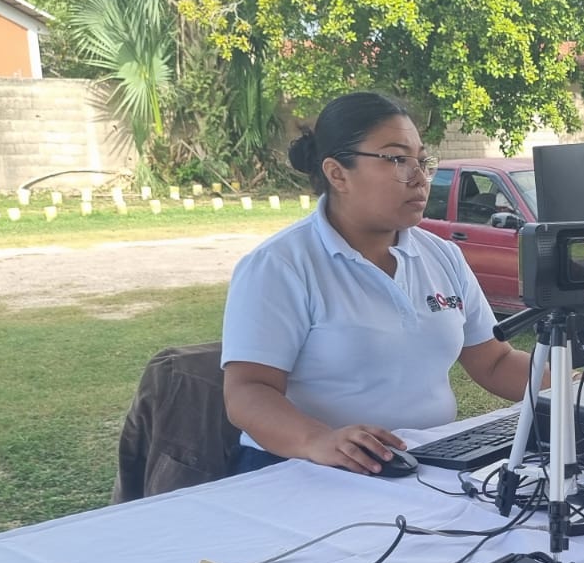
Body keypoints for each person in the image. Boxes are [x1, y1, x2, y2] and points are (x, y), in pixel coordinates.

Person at [221, 91, 536, 475]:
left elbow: (495, 361)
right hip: (301, 470)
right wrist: (318, 440)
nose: (419, 178)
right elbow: (248, 390)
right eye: (397, 160)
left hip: (424, 463)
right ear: (338, 173)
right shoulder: (279, 265)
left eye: (422, 161)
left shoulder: (442, 256)